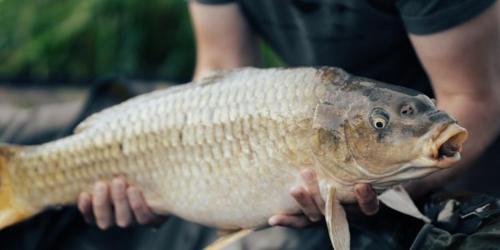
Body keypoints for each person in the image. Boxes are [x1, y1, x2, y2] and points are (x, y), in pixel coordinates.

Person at [2, 0, 499, 249]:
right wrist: (164, 184)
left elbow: (474, 98)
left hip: (431, 164)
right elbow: (218, 71)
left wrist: (368, 185)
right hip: (307, 127)